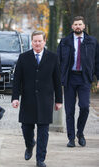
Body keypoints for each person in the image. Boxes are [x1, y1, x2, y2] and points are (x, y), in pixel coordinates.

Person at [12, 31, 62, 167]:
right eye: (35, 41)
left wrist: (59, 100)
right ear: (32, 42)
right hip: (28, 100)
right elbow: (17, 80)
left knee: (43, 132)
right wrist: (15, 98)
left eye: (40, 41)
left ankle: (40, 159)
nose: (37, 43)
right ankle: (29, 145)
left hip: (46, 100)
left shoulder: (53, 58)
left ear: (44, 42)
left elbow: (57, 80)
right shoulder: (23, 57)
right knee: (26, 128)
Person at [57, 16, 99, 147]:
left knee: (85, 107)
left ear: (84, 26)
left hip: (85, 78)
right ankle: (71, 138)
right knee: (69, 110)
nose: (78, 26)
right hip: (69, 78)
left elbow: (97, 61)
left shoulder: (92, 41)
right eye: (75, 24)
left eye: (80, 24)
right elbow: (58, 62)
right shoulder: (64, 41)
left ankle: (80, 133)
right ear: (72, 27)